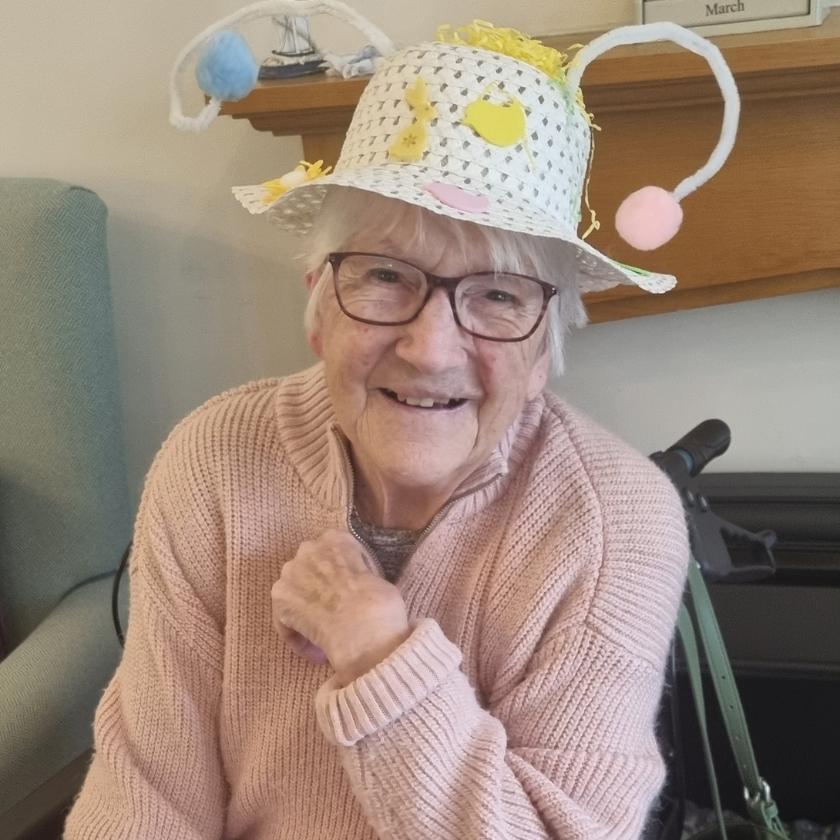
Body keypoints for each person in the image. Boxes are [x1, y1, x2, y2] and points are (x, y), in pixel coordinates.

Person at [67, 7, 741, 839]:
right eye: (387, 275)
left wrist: (381, 658)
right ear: (318, 306)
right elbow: (145, 793)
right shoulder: (214, 459)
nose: (429, 349)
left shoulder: (616, 522)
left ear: (543, 352)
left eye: (497, 294)